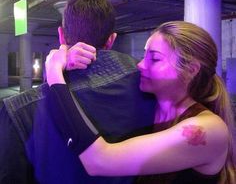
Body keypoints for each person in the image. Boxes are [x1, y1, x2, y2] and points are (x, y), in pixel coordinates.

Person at [45, 21, 236, 184]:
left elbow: (99, 160)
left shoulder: (210, 129)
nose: (140, 64)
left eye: (154, 59)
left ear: (191, 69)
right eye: (145, 55)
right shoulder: (147, 102)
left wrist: (54, 72)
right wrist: (71, 66)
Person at [0, 0, 155, 184]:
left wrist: (55, 73)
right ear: (111, 39)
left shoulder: (17, 110)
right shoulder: (150, 84)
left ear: (61, 35)